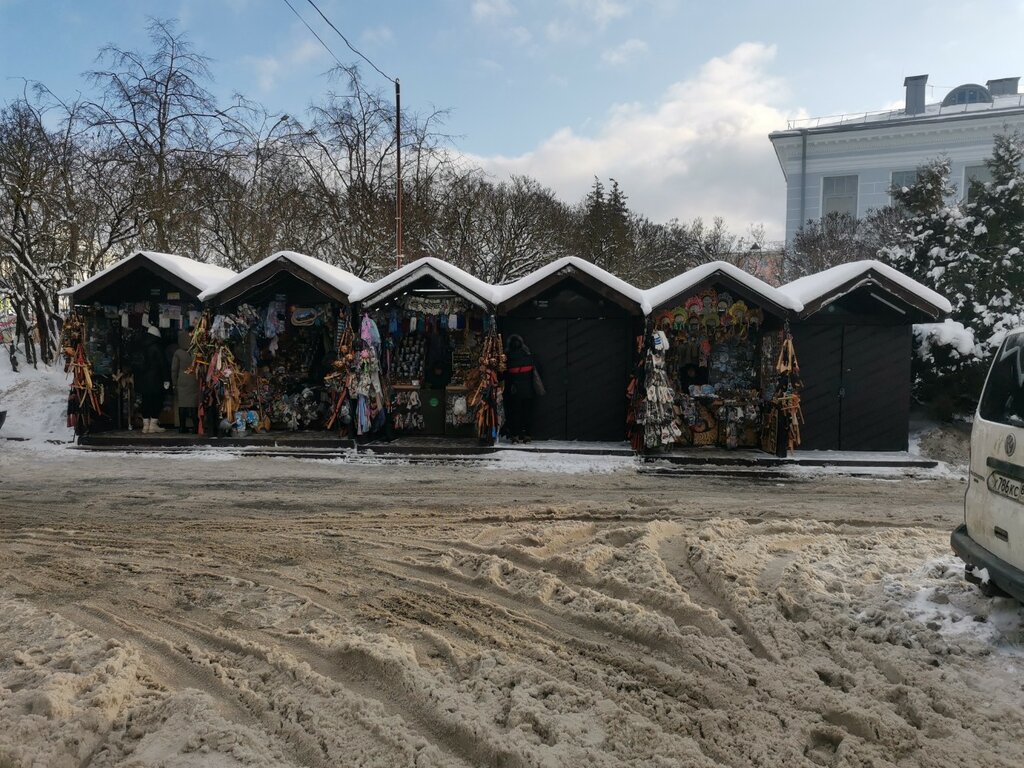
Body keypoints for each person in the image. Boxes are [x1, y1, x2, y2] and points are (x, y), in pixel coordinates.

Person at [135, 325, 169, 433]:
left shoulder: (140, 346)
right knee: (156, 401)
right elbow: (163, 364)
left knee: (145, 401)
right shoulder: (157, 347)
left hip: (142, 380)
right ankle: (153, 425)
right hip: (155, 379)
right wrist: (166, 379)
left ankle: (145, 425)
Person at [503, 334, 537, 443]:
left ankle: (515, 436)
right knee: (527, 413)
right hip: (528, 390)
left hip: (514, 391)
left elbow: (504, 375)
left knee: (514, 413)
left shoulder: (507, 358)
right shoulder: (528, 356)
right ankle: (527, 435)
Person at [171, 329, 199, 434]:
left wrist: (174, 383)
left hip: (182, 380)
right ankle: (195, 427)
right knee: (193, 404)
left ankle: (182, 427)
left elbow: (174, 369)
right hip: (194, 380)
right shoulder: (196, 351)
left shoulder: (178, 353)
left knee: (182, 404)